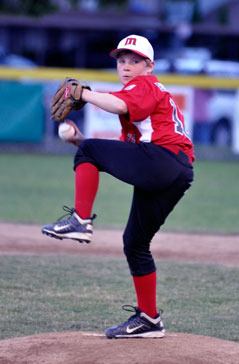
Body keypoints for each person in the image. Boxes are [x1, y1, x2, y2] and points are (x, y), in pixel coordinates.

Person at [42, 34, 194, 339]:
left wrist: (83, 93)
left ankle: (80, 221)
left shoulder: (145, 85)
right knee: (135, 244)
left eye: (134, 61)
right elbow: (120, 155)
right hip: (176, 170)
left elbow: (117, 103)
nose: (126, 66)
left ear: (149, 66)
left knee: (92, 151)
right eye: (122, 60)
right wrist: (81, 143)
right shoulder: (143, 95)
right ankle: (149, 320)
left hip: (164, 159)